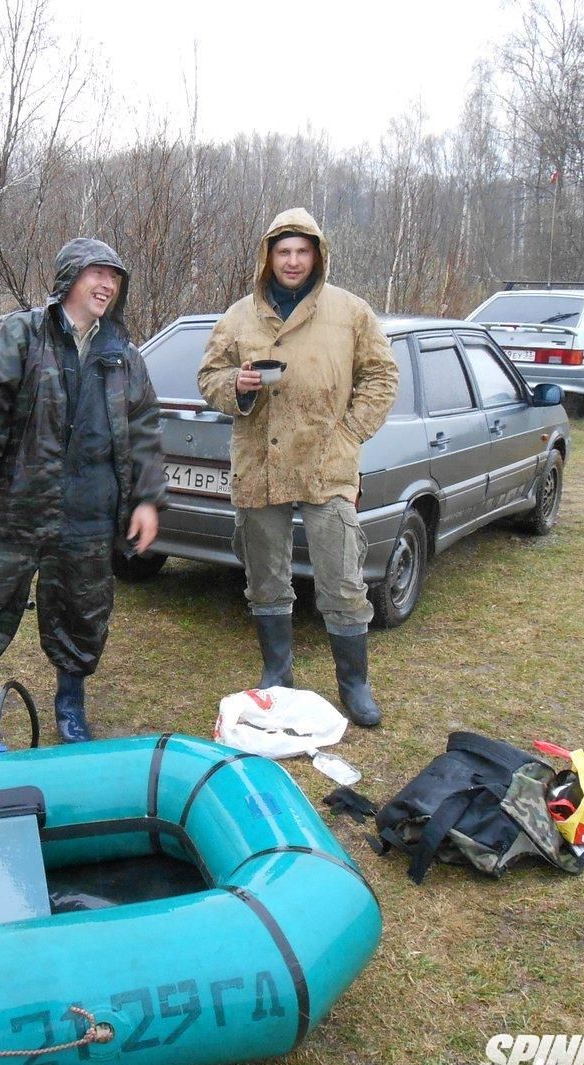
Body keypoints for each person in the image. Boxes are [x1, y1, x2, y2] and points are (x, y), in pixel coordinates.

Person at [0, 238, 168, 760]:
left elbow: (144, 432)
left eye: (114, 278)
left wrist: (146, 500)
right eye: (96, 274)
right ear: (69, 278)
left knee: (83, 614)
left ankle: (70, 709)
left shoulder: (123, 356)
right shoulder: (21, 334)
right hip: (17, 508)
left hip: (89, 514)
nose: (106, 285)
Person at [197, 208, 398, 727]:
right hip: (259, 463)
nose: (292, 261)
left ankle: (354, 685)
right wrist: (234, 388)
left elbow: (381, 376)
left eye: (301, 251)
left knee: (342, 577)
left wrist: (349, 433)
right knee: (265, 577)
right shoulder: (240, 315)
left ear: (317, 255)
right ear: (269, 256)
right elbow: (209, 377)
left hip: (326, 463)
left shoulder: (351, 312)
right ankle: (276, 675)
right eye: (283, 251)